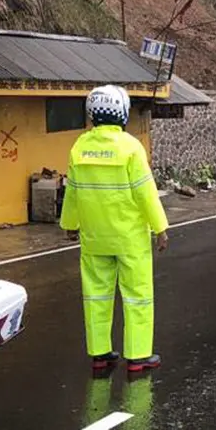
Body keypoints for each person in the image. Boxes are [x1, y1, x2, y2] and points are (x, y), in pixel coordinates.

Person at [60, 85, 169, 377]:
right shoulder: (131, 148)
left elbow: (73, 192)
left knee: (96, 296)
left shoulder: (79, 147)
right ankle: (138, 356)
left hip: (94, 238)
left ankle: (100, 354)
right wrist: (160, 228)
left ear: (92, 114)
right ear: (121, 113)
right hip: (129, 238)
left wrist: (70, 225)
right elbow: (146, 194)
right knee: (137, 296)